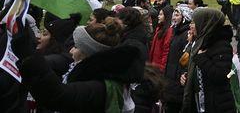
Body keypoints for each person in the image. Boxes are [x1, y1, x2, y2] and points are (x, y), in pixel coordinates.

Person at [12, 16, 144, 112]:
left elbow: (59, 97)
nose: (71, 50)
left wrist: (30, 56)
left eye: (76, 47)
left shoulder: (100, 86)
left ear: (87, 52)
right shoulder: (97, 73)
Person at [182, 8, 236, 113]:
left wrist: (202, 59)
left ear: (205, 24)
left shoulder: (221, 45)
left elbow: (223, 76)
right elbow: (197, 69)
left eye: (195, 22)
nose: (191, 26)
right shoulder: (200, 42)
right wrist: (187, 76)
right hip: (200, 102)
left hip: (217, 105)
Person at [163, 4, 193, 113]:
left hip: (177, 81)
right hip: (171, 77)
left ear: (185, 17)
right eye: (173, 15)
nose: (173, 18)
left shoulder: (186, 34)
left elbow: (185, 59)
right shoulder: (176, 32)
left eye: (177, 15)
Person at [149, 5, 174, 70]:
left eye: (161, 15)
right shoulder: (159, 28)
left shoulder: (168, 30)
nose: (158, 16)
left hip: (159, 66)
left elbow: (166, 50)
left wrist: (162, 67)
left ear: (166, 16)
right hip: (154, 63)